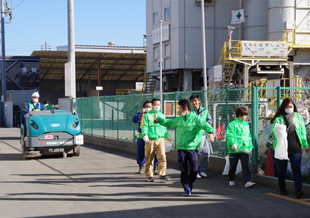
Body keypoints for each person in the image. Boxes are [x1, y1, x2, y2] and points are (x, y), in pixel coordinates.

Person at [155, 99, 214, 196]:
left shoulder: (196, 119)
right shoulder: (179, 119)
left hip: (192, 148)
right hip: (181, 148)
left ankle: (189, 183)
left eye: (180, 109)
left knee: (194, 170)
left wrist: (211, 133)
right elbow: (168, 123)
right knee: (183, 170)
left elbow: (206, 125)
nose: (178, 111)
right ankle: (186, 188)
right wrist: (159, 120)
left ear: (185, 109)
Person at [271, 98, 309, 198]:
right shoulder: (278, 118)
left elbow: (302, 132)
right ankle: (282, 187)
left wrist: (305, 145)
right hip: (282, 147)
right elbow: (273, 133)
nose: (289, 109)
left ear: (294, 107)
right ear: (283, 107)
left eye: (291, 107)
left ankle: (298, 190)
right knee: (282, 170)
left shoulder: (298, 117)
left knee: (296, 169)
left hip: (295, 147)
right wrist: (279, 131)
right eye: (287, 107)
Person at [141, 98, 172, 182]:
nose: (157, 106)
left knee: (162, 157)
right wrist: (145, 134)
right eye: (155, 104)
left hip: (160, 139)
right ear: (152, 105)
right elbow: (144, 126)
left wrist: (167, 136)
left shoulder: (162, 115)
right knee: (149, 158)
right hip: (150, 140)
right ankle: (149, 175)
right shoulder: (147, 115)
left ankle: (162, 174)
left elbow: (164, 128)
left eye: (158, 104)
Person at [226, 107, 256, 188]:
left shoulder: (246, 124)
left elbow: (248, 136)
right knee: (233, 165)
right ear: (239, 115)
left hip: (244, 149)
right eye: (244, 115)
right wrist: (233, 144)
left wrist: (250, 146)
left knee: (245, 165)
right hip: (234, 149)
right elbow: (230, 135)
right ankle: (231, 179)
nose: (245, 117)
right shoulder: (232, 124)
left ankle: (247, 181)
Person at [190, 94, 214, 179]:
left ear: (199, 101)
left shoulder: (205, 111)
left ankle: (202, 170)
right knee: (194, 154)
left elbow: (209, 121)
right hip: (195, 136)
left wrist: (210, 132)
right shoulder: (190, 112)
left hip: (204, 135)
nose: (194, 102)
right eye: (192, 101)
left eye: (195, 100)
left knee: (206, 154)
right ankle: (195, 171)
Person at [132, 100, 159, 174]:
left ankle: (155, 167)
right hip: (141, 136)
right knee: (141, 152)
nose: (148, 108)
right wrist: (140, 113)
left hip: (152, 136)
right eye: (146, 107)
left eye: (149, 107)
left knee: (155, 152)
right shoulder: (141, 115)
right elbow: (134, 120)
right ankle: (141, 166)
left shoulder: (154, 114)